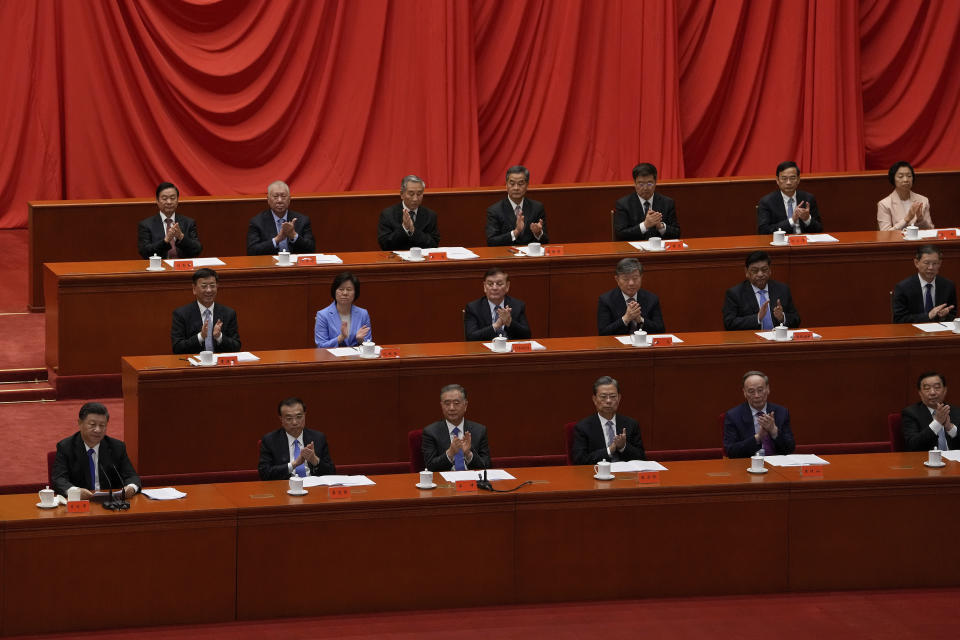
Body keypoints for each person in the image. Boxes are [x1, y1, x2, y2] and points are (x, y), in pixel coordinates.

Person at [51, 402, 140, 498]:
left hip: (110, 504)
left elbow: (132, 476)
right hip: (80, 504)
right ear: (80, 423)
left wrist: (131, 487)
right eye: (92, 424)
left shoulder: (117, 447)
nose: (97, 430)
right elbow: (58, 479)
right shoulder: (66, 447)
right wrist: (75, 491)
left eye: (102, 425)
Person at [571, 376, 645, 465]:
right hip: (596, 475)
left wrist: (623, 447)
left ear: (619, 398)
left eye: (613, 396)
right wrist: (610, 449)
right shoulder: (583, 427)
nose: (609, 401)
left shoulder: (631, 424)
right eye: (603, 397)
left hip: (626, 476)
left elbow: (641, 458)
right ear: (594, 399)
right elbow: (579, 461)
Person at [258, 397, 336, 480]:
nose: (294, 422)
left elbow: (331, 472)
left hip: (313, 487)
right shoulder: (270, 440)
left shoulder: (318, 438)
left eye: (299, 417)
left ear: (305, 415)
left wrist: (315, 461)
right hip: (284, 487)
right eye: (289, 418)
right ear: (281, 419)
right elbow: (264, 473)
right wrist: (294, 464)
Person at [723, 371, 796, 458]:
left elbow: (790, 448)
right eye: (751, 391)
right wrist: (758, 437)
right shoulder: (733, 416)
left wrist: (774, 431)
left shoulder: (781, 412)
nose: (757, 395)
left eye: (760, 390)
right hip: (748, 465)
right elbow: (730, 451)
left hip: (776, 465)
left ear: (768, 389)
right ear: (744, 393)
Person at [722, 251, 801, 330]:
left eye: (764, 270)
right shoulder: (735, 294)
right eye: (755, 271)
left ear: (770, 270)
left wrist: (782, 317)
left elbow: (796, 320)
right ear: (746, 272)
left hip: (778, 339)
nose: (760, 274)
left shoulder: (782, 289)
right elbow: (729, 323)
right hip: (751, 340)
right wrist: (757, 318)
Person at [421, 384, 491, 472]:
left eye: (456, 403)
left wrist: (468, 454)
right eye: (447, 403)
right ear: (441, 406)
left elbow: (487, 465)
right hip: (444, 483)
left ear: (465, 405)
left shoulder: (479, 430)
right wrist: (450, 453)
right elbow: (430, 467)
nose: (452, 408)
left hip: (472, 481)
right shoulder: (431, 432)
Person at [171, 267, 242, 354]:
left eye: (212, 286)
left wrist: (219, 336)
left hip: (220, 365)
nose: (209, 290)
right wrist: (200, 336)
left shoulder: (229, 313)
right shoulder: (181, 314)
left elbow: (236, 347)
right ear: (194, 289)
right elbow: (177, 348)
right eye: (204, 286)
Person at [613, 163, 680, 241]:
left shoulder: (667, 203)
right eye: (641, 184)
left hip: (660, 251)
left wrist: (661, 227)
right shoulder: (623, 204)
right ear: (634, 183)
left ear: (655, 183)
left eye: (649, 183)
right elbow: (620, 234)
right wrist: (645, 225)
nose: (645, 188)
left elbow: (677, 233)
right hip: (634, 250)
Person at [597, 258, 665, 335]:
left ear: (641, 277)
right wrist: (626, 319)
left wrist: (640, 320)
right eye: (626, 279)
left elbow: (660, 330)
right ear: (617, 279)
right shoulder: (606, 300)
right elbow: (603, 333)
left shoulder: (652, 299)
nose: (631, 283)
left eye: (635, 278)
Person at [246, 181, 316, 255]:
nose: (279, 200)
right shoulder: (257, 222)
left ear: (289, 199)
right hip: (269, 264)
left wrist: (294, 236)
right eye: (275, 196)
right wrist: (277, 239)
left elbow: (311, 249)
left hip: (295, 265)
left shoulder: (302, 220)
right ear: (268, 200)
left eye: (283, 196)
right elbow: (251, 251)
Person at [892, 244, 957, 323]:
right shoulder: (903, 288)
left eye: (935, 263)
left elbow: (953, 314)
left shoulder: (948, 286)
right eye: (926, 263)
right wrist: (928, 316)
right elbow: (899, 320)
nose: (931, 267)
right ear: (916, 263)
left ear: (940, 263)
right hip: (913, 332)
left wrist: (944, 316)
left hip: (939, 332)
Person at [137, 182, 203, 259]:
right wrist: (165, 241)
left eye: (172, 198)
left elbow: (197, 250)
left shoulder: (188, 222)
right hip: (159, 268)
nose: (169, 202)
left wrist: (181, 237)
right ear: (157, 201)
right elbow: (144, 252)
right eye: (164, 198)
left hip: (183, 267)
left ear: (177, 200)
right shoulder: (146, 225)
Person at [486, 165, 548, 246]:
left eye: (520, 183)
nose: (516, 188)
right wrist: (516, 232)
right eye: (512, 183)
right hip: (506, 256)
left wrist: (538, 233)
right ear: (506, 185)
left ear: (527, 185)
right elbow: (491, 241)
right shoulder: (495, 210)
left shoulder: (537, 207)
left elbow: (546, 240)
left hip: (530, 256)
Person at [463, 267, 531, 341]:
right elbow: (470, 337)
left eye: (499, 284)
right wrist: (496, 326)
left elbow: (527, 335)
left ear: (507, 286)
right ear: (484, 286)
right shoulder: (473, 308)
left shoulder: (517, 305)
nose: (494, 288)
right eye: (490, 284)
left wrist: (509, 322)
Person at [757, 161, 823, 235]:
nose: (788, 182)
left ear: (798, 180)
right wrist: (792, 221)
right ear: (777, 180)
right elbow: (763, 231)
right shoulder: (766, 202)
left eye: (792, 178)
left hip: (804, 243)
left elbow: (819, 229)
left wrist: (807, 219)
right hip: (781, 244)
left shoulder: (808, 198)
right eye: (784, 178)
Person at [377, 175, 440, 250]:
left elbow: (434, 244)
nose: (415, 199)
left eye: (419, 194)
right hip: (397, 260)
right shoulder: (388, 214)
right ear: (402, 194)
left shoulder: (430, 215)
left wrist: (413, 231)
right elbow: (384, 245)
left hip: (421, 259)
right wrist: (404, 229)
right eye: (411, 194)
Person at [901, 372, 960, 451]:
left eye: (937, 387)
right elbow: (912, 444)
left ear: (945, 390)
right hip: (925, 460)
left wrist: (949, 427)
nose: (932, 392)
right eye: (927, 388)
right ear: (920, 393)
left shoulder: (956, 412)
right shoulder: (910, 413)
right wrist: (937, 423)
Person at [314, 272, 372, 348]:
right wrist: (340, 338)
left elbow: (369, 344)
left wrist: (361, 340)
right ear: (334, 291)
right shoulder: (323, 315)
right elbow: (320, 346)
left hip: (356, 358)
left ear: (355, 293)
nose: (345, 293)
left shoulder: (363, 314)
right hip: (332, 358)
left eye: (349, 289)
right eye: (341, 289)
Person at [877, 161, 934, 231]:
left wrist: (920, 219)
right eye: (900, 176)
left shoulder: (923, 200)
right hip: (897, 241)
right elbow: (885, 235)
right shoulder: (884, 204)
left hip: (919, 241)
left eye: (909, 176)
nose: (906, 180)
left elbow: (930, 230)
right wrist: (907, 219)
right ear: (893, 179)